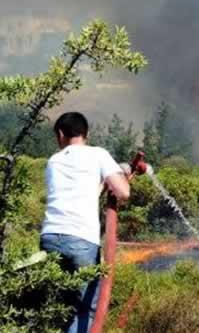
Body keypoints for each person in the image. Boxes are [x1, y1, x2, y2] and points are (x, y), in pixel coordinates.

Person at [40, 112, 131, 333]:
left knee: (57, 304)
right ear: (86, 134)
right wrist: (120, 172)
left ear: (60, 135)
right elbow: (123, 192)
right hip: (82, 241)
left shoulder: (54, 160)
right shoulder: (98, 154)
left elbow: (80, 190)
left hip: (49, 238)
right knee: (86, 307)